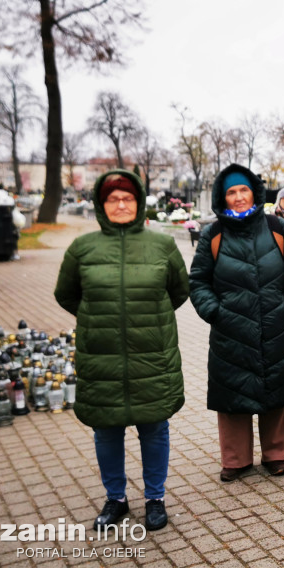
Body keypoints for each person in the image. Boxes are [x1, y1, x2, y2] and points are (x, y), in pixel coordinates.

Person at [54, 171, 188, 532]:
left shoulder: (162, 246)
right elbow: (66, 295)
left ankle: (155, 499)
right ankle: (116, 499)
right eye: (113, 198)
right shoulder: (82, 249)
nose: (121, 204)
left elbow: (178, 290)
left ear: (139, 201)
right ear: (101, 204)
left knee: (154, 427)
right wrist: (99, 317)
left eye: (127, 197)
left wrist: (147, 319)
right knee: (107, 431)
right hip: (103, 357)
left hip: (152, 356)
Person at [189, 164, 284, 481]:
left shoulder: (276, 228)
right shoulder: (212, 234)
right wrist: (215, 312)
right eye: (231, 192)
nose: (239, 197)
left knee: (278, 390)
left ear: (254, 192)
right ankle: (236, 459)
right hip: (230, 329)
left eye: (243, 190)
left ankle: (276, 454)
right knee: (232, 395)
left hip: (276, 324)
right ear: (223, 197)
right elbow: (199, 281)